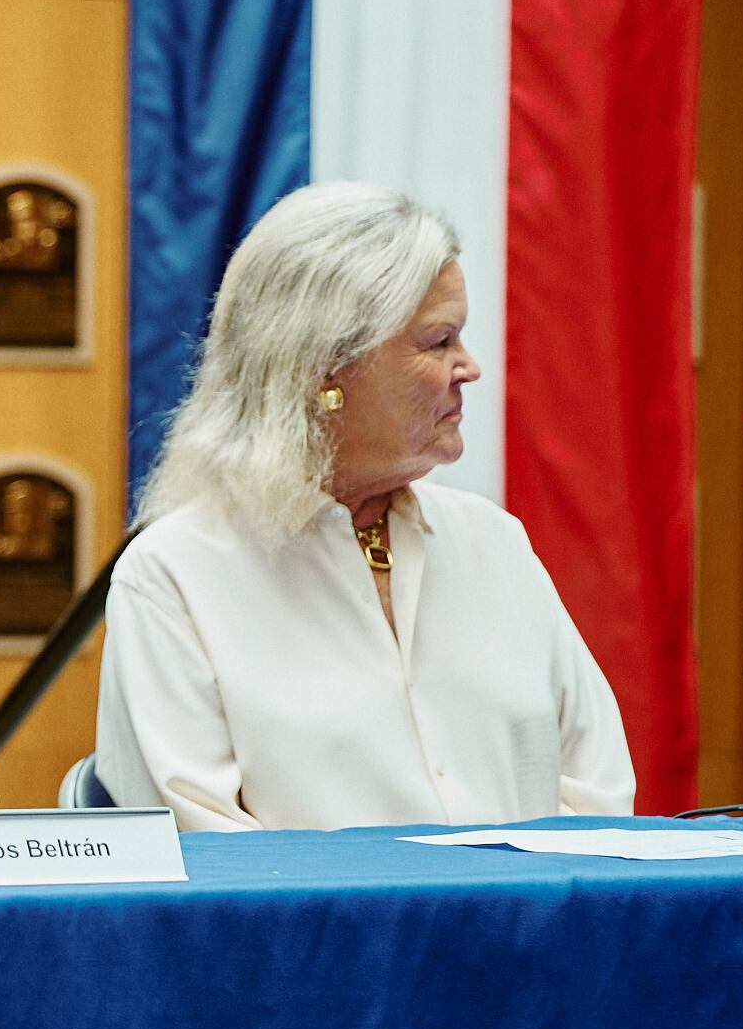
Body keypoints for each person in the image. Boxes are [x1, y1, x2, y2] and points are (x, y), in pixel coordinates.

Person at [95, 182, 634, 830]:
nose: (470, 367)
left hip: (530, 930)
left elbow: (597, 796)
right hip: (314, 935)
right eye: (439, 343)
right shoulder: (173, 575)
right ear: (326, 367)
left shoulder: (496, 544)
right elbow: (203, 855)